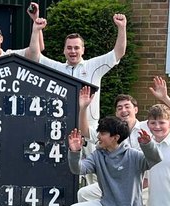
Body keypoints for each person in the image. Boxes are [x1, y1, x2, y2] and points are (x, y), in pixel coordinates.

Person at [28, 12, 128, 140]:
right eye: (69, 48)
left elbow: (118, 52)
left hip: (89, 129)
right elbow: (35, 56)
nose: (73, 51)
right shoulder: (56, 68)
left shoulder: (93, 65)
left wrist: (122, 27)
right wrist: (36, 30)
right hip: (61, 126)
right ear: (64, 50)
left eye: (76, 48)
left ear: (83, 50)